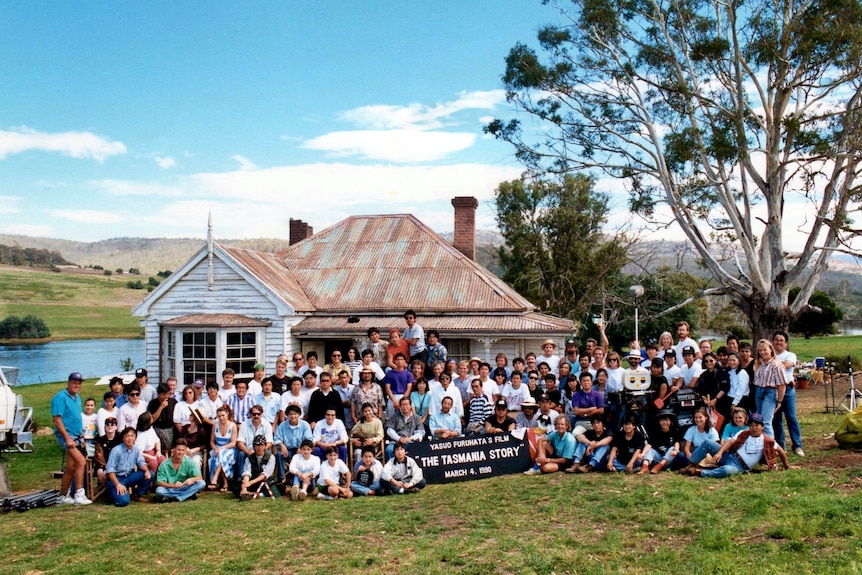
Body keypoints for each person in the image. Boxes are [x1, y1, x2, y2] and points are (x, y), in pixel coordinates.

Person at [686, 413, 789, 477]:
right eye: (751, 425)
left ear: (762, 427)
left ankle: (699, 472)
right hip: (730, 456)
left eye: (757, 425)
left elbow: (781, 451)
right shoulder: (744, 433)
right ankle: (690, 465)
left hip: (740, 466)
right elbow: (730, 442)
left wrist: (786, 466)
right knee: (708, 443)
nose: (754, 428)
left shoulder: (767, 440)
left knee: (727, 470)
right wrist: (720, 453)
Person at [52, 372, 92, 505]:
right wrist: (67, 438)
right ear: (68, 383)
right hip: (67, 436)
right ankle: (79, 494)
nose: (77, 385)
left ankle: (62, 497)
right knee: (81, 461)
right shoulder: (60, 397)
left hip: (77, 436)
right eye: (74, 383)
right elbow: (57, 420)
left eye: (79, 383)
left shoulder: (77, 398)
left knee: (71, 466)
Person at [772, 331, 804, 456]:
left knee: (791, 417)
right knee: (777, 420)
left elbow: (787, 365)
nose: (778, 342)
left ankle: (797, 446)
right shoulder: (770, 355)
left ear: (785, 343)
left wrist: (773, 366)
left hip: (788, 390)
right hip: (773, 390)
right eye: (776, 340)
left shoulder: (790, 355)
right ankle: (781, 446)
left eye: (781, 340)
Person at [105, 426, 153, 506]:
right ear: (123, 438)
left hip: (128, 477)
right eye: (127, 436)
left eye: (132, 436)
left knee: (150, 474)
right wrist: (118, 485)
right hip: (116, 479)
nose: (130, 438)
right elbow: (110, 471)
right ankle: (114, 494)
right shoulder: (116, 451)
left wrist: (146, 470)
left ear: (135, 438)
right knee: (124, 501)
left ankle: (136, 495)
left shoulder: (135, 449)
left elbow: (141, 462)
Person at [752, 339, 786, 438]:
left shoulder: (776, 365)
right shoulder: (759, 363)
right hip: (759, 390)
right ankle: (761, 445)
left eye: (765, 350)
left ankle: (770, 449)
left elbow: (782, 385)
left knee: (766, 421)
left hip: (770, 392)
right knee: (759, 419)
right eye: (760, 350)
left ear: (770, 349)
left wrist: (779, 401)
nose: (762, 352)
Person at [154, 439, 206, 503]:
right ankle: (188, 495)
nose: (180, 452)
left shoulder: (189, 462)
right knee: (159, 490)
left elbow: (199, 477)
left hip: (184, 487)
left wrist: (191, 479)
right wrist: (173, 485)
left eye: (183, 450)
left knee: (202, 483)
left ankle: (175, 497)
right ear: (174, 449)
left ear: (185, 451)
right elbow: (160, 483)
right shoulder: (164, 465)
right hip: (170, 489)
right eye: (178, 450)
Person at [274, 404, 313, 483]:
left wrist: (301, 447)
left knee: (309, 453)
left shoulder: (305, 425)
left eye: (295, 414)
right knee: (278, 454)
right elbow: (276, 438)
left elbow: (308, 439)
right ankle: (282, 478)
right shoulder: (282, 425)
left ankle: (307, 478)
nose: (293, 416)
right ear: (287, 415)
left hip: (302, 450)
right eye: (291, 414)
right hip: (288, 450)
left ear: (299, 414)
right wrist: (282, 445)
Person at [236, 406, 274, 479]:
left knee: (269, 453)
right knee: (241, 454)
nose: (256, 416)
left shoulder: (267, 425)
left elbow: (269, 442)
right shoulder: (244, 424)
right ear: (250, 414)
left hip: (262, 449)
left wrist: (260, 450)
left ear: (262, 414)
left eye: (258, 414)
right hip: (248, 450)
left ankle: (265, 478)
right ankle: (241, 479)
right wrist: (248, 451)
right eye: (254, 414)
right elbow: (239, 442)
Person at [237, 435, 277, 500]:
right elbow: (247, 472)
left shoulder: (271, 457)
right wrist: (245, 485)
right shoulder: (249, 458)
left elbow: (265, 474)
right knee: (235, 486)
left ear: (265, 446)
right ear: (254, 446)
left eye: (262, 445)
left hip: (266, 482)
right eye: (257, 445)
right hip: (254, 481)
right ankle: (247, 492)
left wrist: (251, 482)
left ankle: (257, 494)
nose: (260, 448)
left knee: (280, 488)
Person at [383, 353, 415, 418]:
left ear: (405, 361)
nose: (400, 361)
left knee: (404, 415)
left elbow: (409, 389)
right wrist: (394, 401)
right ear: (394, 361)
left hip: (403, 396)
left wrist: (402, 400)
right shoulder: (390, 373)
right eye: (398, 359)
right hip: (392, 396)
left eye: (401, 359)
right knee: (391, 416)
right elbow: (387, 388)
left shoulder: (409, 374)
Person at [148, 382, 177, 453]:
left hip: (170, 430)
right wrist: (161, 407)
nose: (166, 396)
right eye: (164, 394)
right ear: (159, 394)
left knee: (169, 450)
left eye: (168, 393)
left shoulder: (173, 402)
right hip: (157, 429)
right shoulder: (153, 403)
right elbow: (152, 419)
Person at [94, 416, 122, 485]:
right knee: (101, 472)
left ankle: (110, 488)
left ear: (116, 427)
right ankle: (106, 489)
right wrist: (105, 466)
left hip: (117, 464)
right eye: (107, 424)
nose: (110, 426)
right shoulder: (100, 440)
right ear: (104, 427)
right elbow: (98, 455)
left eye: (112, 424)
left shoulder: (120, 439)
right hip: (103, 464)